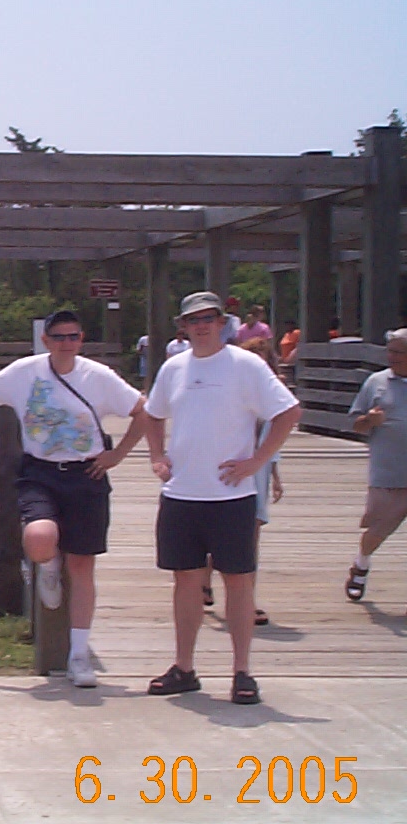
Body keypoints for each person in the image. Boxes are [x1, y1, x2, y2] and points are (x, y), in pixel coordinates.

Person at [0, 310, 148, 688]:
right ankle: (48, 567)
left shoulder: (98, 376)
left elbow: (142, 410)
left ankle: (78, 655)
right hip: (41, 472)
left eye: (73, 336)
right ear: (46, 340)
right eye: (59, 337)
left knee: (82, 565)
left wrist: (117, 454)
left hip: (87, 474)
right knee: (39, 538)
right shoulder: (26, 372)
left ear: (81, 339)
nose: (66, 343)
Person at [144, 292, 301, 705]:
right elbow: (152, 414)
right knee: (186, 580)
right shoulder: (173, 367)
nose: (202, 326)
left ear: (222, 323)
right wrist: (157, 455)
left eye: (209, 318)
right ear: (183, 326)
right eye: (193, 320)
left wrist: (258, 461)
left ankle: (242, 672)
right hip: (181, 493)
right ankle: (184, 667)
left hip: (231, 495)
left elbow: (288, 412)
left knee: (238, 581)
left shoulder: (246, 365)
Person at [199, 337, 284, 625]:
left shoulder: (274, 394)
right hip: (227, 471)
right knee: (224, 536)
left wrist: (275, 475)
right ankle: (205, 578)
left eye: (264, 358)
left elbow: (274, 439)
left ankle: (248, 601)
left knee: (250, 539)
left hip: (257, 474)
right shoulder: (227, 388)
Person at [344, 328, 407, 603]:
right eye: (390, 351)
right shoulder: (376, 382)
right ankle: (361, 565)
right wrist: (370, 420)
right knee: (377, 530)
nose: (392, 357)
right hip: (388, 472)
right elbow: (355, 424)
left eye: (399, 352)